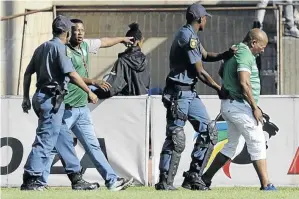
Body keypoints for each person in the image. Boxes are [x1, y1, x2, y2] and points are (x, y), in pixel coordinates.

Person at [39, 18, 134, 191]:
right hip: (65, 108)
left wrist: (122, 39)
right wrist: (93, 83)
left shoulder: (85, 46)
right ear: (69, 32)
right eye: (76, 30)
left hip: (81, 109)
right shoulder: (63, 51)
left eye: (82, 30)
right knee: (52, 146)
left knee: (93, 146)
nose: (80, 33)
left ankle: (112, 181)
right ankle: (40, 182)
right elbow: (70, 76)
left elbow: (104, 42)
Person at [154, 2, 236, 191]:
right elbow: (200, 71)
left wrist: (225, 54)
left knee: (209, 132)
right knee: (176, 137)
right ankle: (165, 181)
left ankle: (193, 177)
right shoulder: (187, 37)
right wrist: (218, 88)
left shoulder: (193, 37)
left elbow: (205, 56)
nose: (206, 20)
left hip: (189, 93)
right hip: (179, 94)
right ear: (200, 19)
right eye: (205, 17)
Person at [20, 15, 99, 191]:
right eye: (71, 29)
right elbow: (71, 74)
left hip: (41, 97)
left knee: (63, 138)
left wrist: (26, 97)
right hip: (52, 100)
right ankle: (31, 179)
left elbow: (27, 73)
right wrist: (89, 91)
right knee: (45, 139)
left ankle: (76, 178)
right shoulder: (59, 48)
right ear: (66, 31)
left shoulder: (42, 47)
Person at [200, 28, 277, 191]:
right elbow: (244, 83)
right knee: (257, 141)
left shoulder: (236, 49)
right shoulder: (244, 54)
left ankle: (205, 179)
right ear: (253, 42)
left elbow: (221, 71)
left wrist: (228, 85)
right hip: (239, 106)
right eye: (262, 46)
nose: (263, 50)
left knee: (231, 147)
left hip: (232, 105)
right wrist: (254, 107)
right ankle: (266, 185)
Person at [92, 22, 150, 98]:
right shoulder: (144, 60)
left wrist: (95, 94)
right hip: (143, 100)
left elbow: (113, 87)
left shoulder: (122, 61)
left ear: (126, 42)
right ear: (140, 41)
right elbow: (147, 84)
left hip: (126, 102)